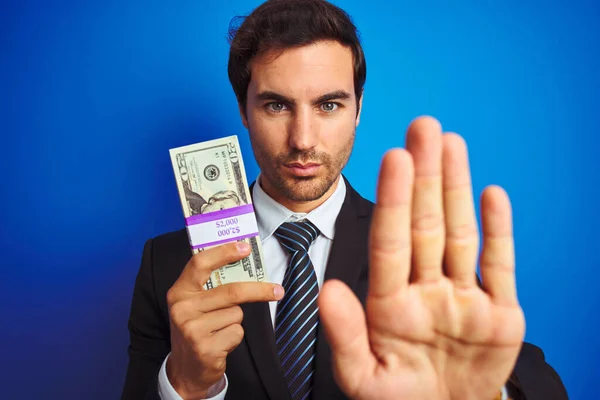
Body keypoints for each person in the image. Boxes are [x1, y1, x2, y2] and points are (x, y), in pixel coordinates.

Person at [121, 1, 568, 399]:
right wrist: (183, 386)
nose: (303, 140)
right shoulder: (168, 263)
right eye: (276, 106)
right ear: (243, 109)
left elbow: (539, 385)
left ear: (358, 108)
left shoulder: (420, 252)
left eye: (329, 105)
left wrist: (484, 394)